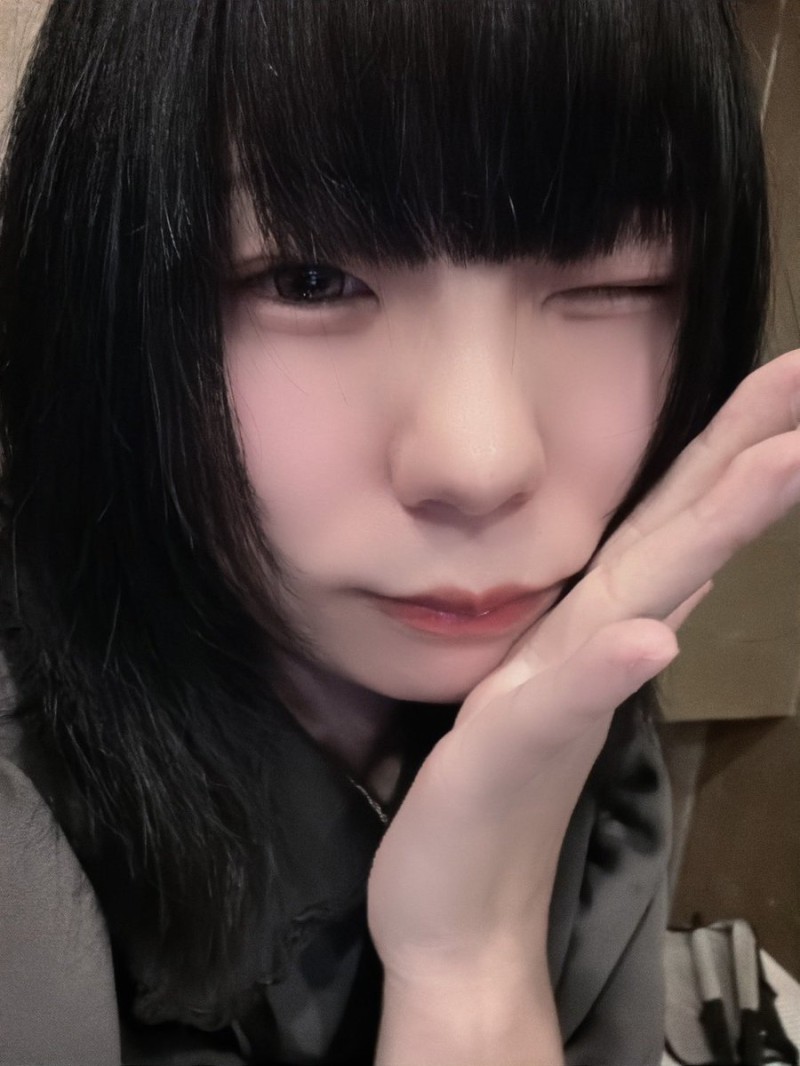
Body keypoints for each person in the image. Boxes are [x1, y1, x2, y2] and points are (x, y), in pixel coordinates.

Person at [0, 0, 797, 1063]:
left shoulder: (578, 710)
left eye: (615, 278)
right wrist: (472, 980)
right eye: (309, 280)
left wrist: (478, 947)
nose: (481, 462)